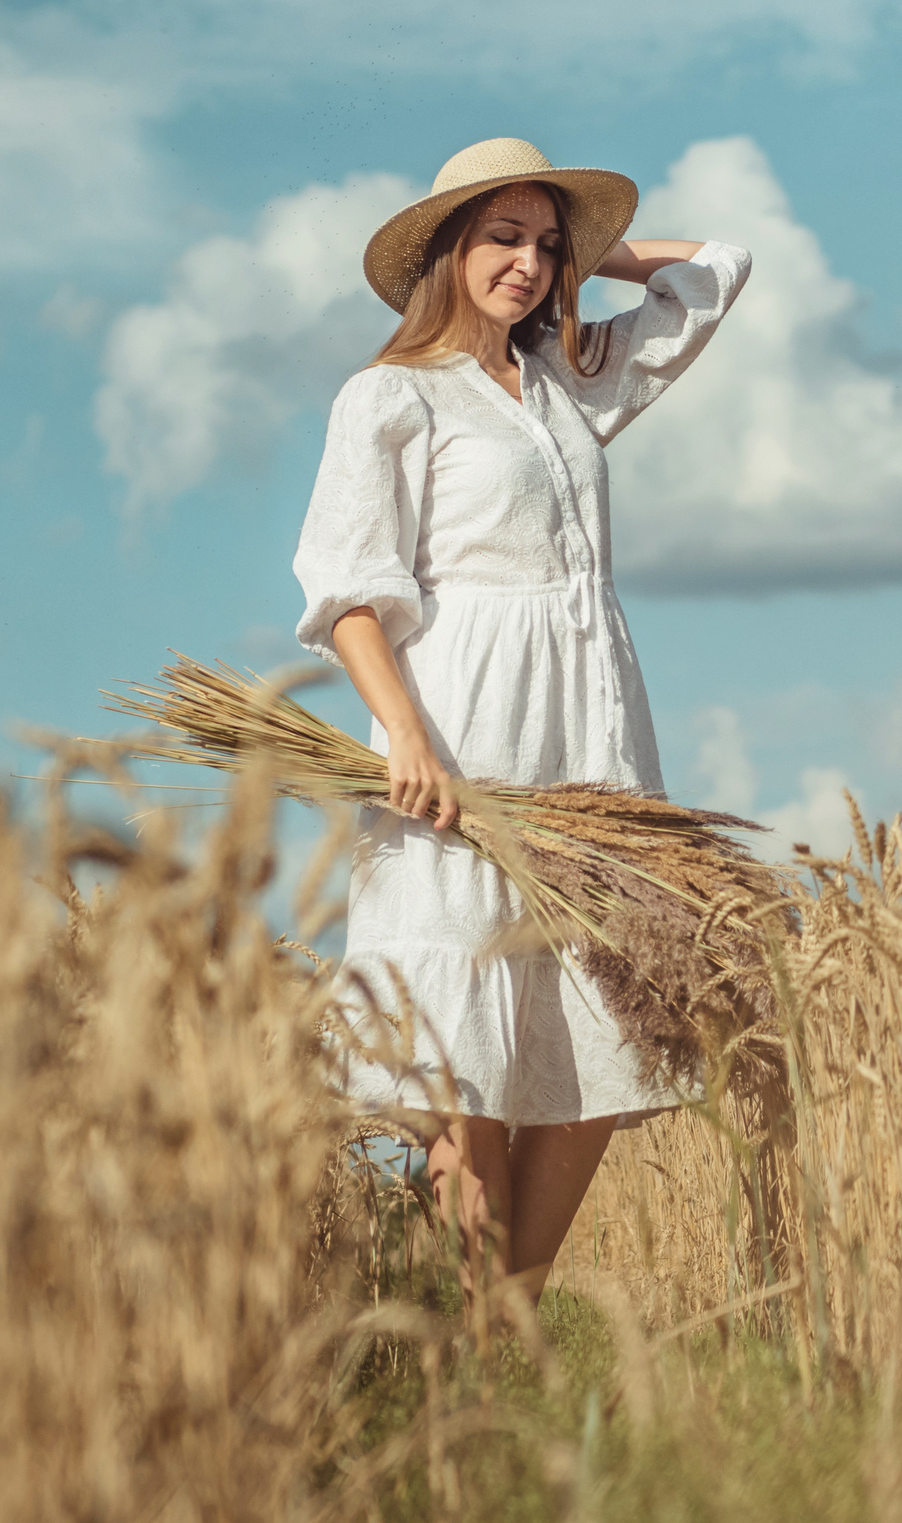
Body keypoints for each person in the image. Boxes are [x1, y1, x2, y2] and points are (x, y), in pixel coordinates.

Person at [293, 138, 751, 1309]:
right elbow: (350, 586)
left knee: (595, 1040)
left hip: (589, 738)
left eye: (549, 244)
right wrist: (405, 736)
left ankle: (512, 1327)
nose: (531, 263)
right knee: (462, 1063)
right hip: (464, 733)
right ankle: (476, 1367)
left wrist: (596, 259)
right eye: (502, 236)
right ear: (447, 250)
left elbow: (718, 267)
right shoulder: (388, 395)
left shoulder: (569, 383)